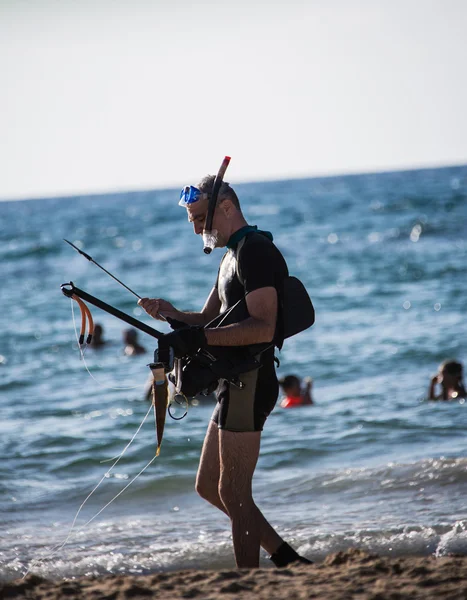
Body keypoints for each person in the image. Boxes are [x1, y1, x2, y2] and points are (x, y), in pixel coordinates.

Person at [138, 175, 311, 569]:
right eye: (192, 221)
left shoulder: (256, 252)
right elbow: (206, 320)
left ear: (227, 207)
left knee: (233, 491)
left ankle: (249, 578)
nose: (198, 229)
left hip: (251, 381)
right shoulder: (230, 256)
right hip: (231, 384)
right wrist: (170, 313)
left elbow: (263, 327)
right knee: (209, 486)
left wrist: (198, 335)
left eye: (201, 218)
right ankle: (287, 558)